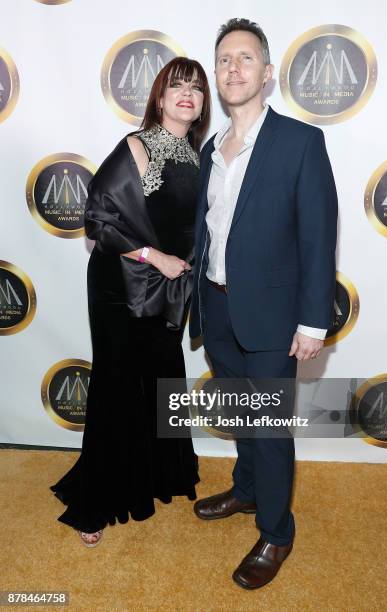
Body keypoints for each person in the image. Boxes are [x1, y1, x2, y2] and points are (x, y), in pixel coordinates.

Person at [189, 19, 338, 589]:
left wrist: (312, 320)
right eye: (224, 59)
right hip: (218, 308)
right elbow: (210, 231)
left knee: (270, 426)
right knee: (241, 414)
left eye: (245, 58)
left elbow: (318, 236)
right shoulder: (211, 149)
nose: (233, 68)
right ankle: (248, 491)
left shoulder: (300, 141)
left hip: (275, 318)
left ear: (267, 73)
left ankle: (277, 530)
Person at [51, 57, 211, 547]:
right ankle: (93, 503)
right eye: (176, 86)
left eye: (196, 88)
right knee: (119, 384)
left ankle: (157, 476)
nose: (187, 93)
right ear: (159, 98)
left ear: (204, 103)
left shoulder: (198, 155)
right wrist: (155, 257)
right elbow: (97, 218)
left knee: (161, 378)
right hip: (120, 284)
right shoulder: (138, 146)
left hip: (166, 287)